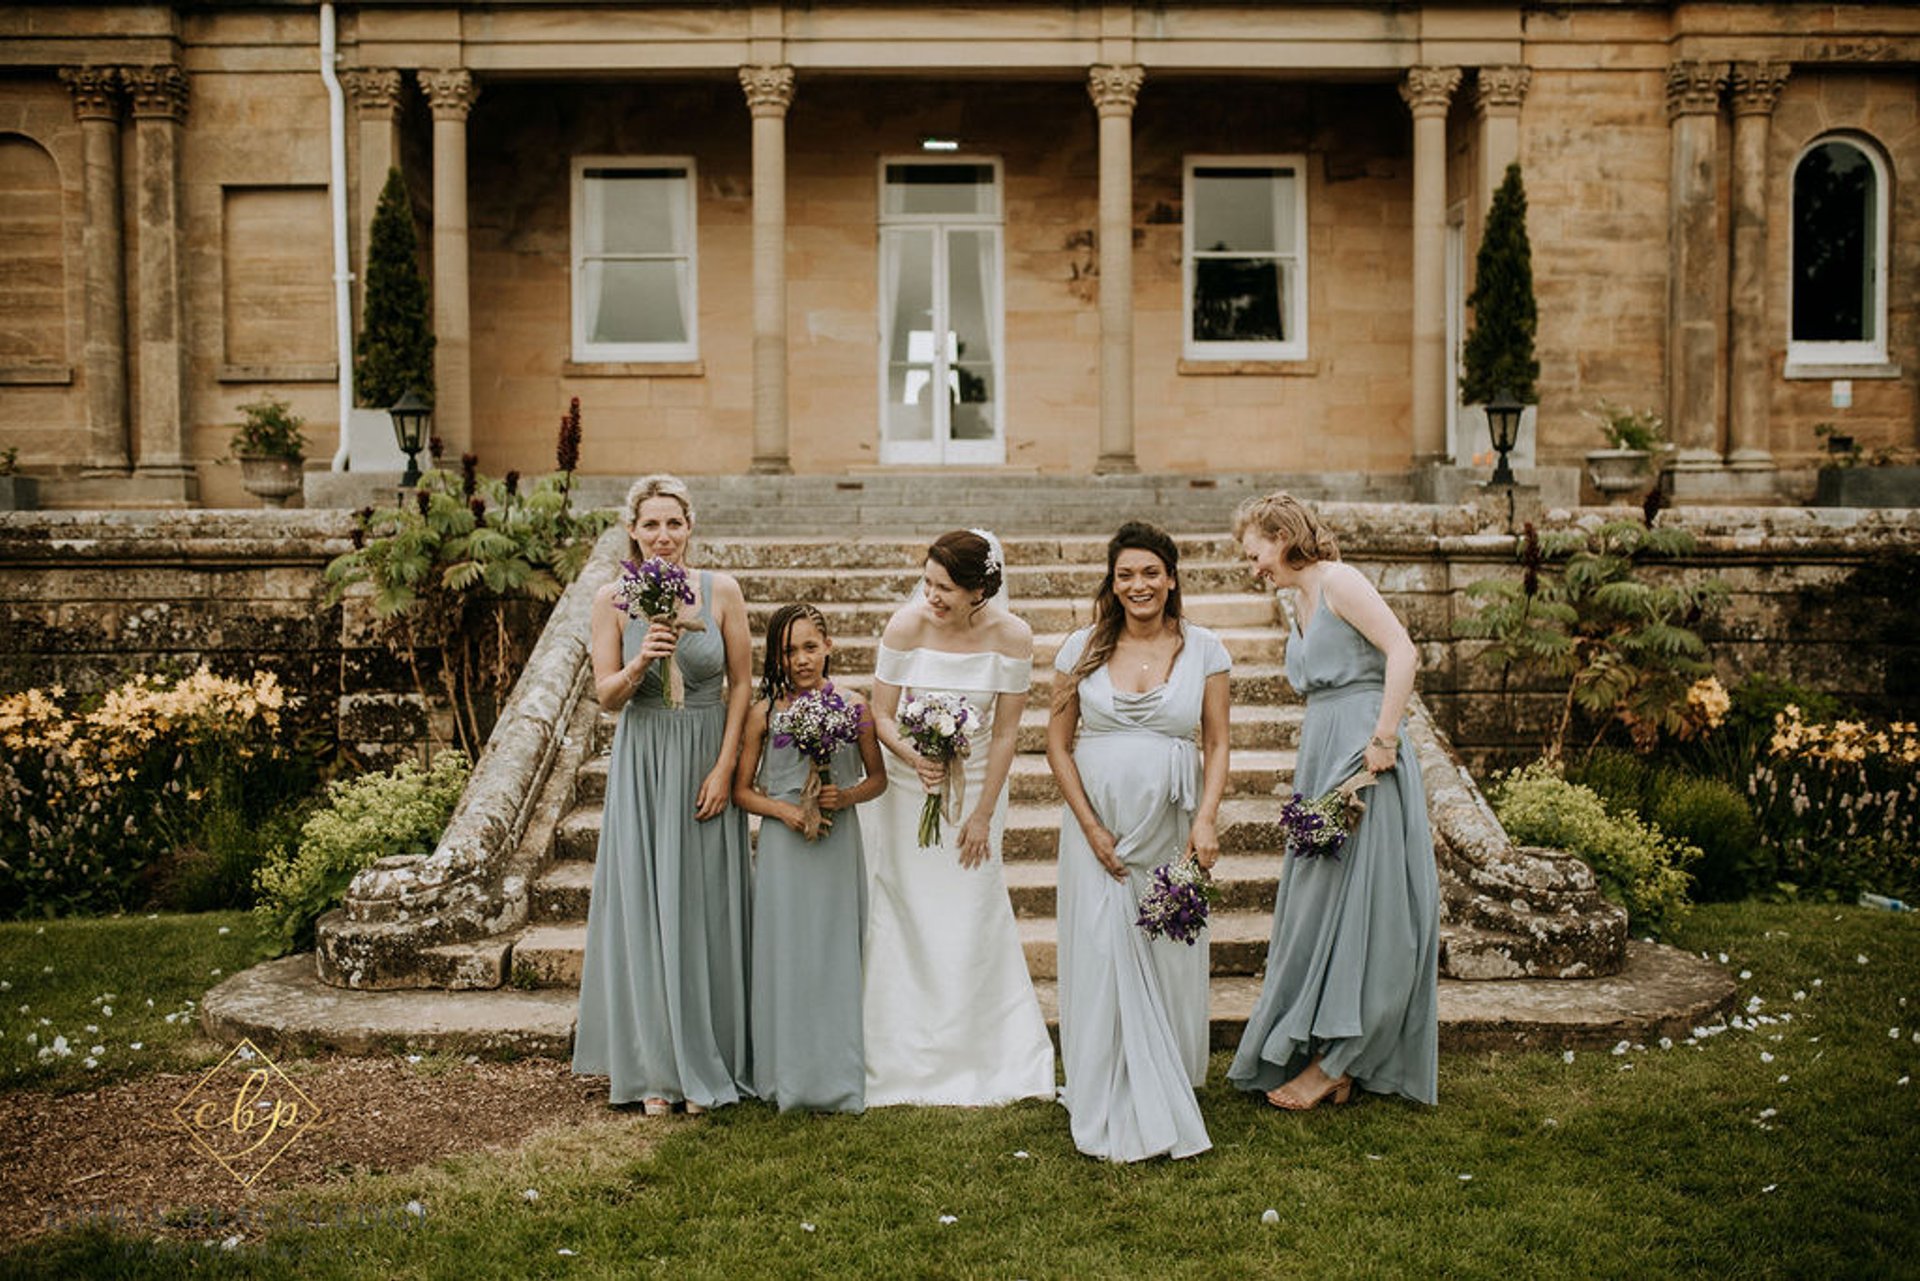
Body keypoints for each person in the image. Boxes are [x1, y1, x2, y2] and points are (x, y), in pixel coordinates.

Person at [1226, 492, 1439, 1109]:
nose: (1253, 566)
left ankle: (1339, 1061)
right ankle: (1320, 1048)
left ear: (1282, 534)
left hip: (1364, 759)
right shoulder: (1296, 600)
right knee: (1319, 908)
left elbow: (1403, 651)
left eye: (1256, 552)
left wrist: (1384, 738)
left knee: (1369, 911)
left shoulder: (1340, 581)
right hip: (1321, 757)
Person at [1047, 521, 1230, 1161]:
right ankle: (1103, 1081)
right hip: (1097, 833)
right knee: (1100, 950)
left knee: (1166, 950)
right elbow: (1055, 744)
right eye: (1126, 574)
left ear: (1171, 577)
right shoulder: (1081, 647)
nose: (1139, 585)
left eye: (1150, 572)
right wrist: (1091, 826)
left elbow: (1216, 742)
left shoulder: (1206, 649)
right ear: (1112, 581)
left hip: (1171, 829)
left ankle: (1168, 1072)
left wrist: (1206, 819)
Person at [572, 474, 754, 1115]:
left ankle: (711, 1058)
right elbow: (606, 697)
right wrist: (641, 659)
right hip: (645, 758)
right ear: (632, 530)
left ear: (690, 527)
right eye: (650, 524)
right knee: (647, 907)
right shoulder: (610, 599)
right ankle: (656, 1070)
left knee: (704, 904)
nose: (663, 536)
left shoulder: (722, 592)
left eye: (673, 524)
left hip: (706, 753)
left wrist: (726, 767)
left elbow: (741, 685)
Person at [860, 529, 1056, 1106]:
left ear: (980, 591)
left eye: (944, 587)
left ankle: (980, 1049)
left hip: (975, 792)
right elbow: (881, 712)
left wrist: (982, 813)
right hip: (907, 786)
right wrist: (915, 757)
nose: (930, 596)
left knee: (972, 905)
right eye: (926, 582)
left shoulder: (1013, 636)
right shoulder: (907, 626)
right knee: (903, 905)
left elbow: (1004, 733)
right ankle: (897, 1049)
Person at [732, 603, 886, 1114]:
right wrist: (782, 810)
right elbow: (741, 791)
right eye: (788, 650)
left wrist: (845, 797)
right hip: (784, 847)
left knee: (832, 953)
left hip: (836, 843)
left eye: (809, 647)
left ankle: (836, 1075)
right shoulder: (764, 712)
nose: (800, 659)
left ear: (829, 647)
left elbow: (877, 778)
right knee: (786, 956)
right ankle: (784, 1074)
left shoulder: (854, 705)